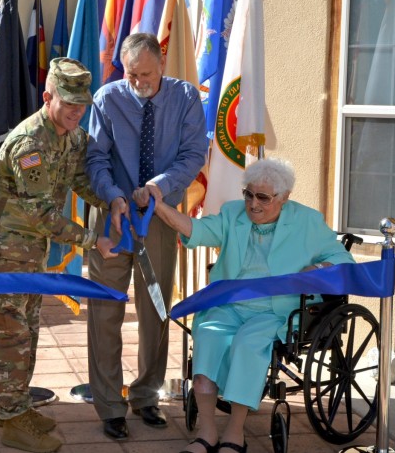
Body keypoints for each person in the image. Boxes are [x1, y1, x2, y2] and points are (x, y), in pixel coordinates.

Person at [150, 158, 355, 453]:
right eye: (248, 194)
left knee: (248, 344)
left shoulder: (306, 221)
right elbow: (196, 230)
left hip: (277, 310)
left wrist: (319, 267)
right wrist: (159, 206)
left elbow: (343, 260)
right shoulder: (233, 214)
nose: (253, 204)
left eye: (263, 197)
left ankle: (235, 433)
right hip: (230, 305)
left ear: (284, 198)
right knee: (207, 334)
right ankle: (207, 433)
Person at [0, 57, 116, 453]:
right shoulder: (30, 143)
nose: (76, 111)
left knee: (28, 331)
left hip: (31, 250)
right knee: (10, 334)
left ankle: (18, 408)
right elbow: (39, 213)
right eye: (68, 102)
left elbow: (79, 179)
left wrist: (113, 200)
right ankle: (9, 419)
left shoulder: (70, 136)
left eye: (81, 104)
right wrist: (93, 240)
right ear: (48, 97)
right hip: (7, 250)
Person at [85, 32, 208, 440]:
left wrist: (158, 186)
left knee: (155, 308)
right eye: (131, 73)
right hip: (113, 217)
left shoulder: (186, 97)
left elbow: (194, 154)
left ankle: (145, 395)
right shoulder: (107, 98)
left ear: (162, 64)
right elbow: (96, 158)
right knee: (105, 312)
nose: (138, 82)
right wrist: (114, 197)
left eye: (147, 74)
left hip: (159, 214)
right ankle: (109, 404)